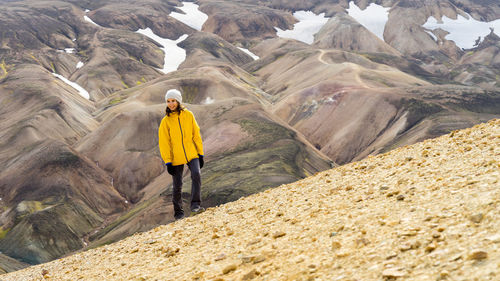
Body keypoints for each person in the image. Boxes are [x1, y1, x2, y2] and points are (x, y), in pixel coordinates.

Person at [158, 89, 205, 220]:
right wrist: (168, 161)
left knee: (196, 175)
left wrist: (200, 154)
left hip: (191, 153)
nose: (171, 104)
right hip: (175, 157)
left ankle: (195, 205)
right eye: (168, 101)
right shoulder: (165, 121)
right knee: (177, 185)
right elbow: (164, 143)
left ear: (178, 101)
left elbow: (196, 134)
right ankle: (179, 213)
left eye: (173, 101)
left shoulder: (189, 115)